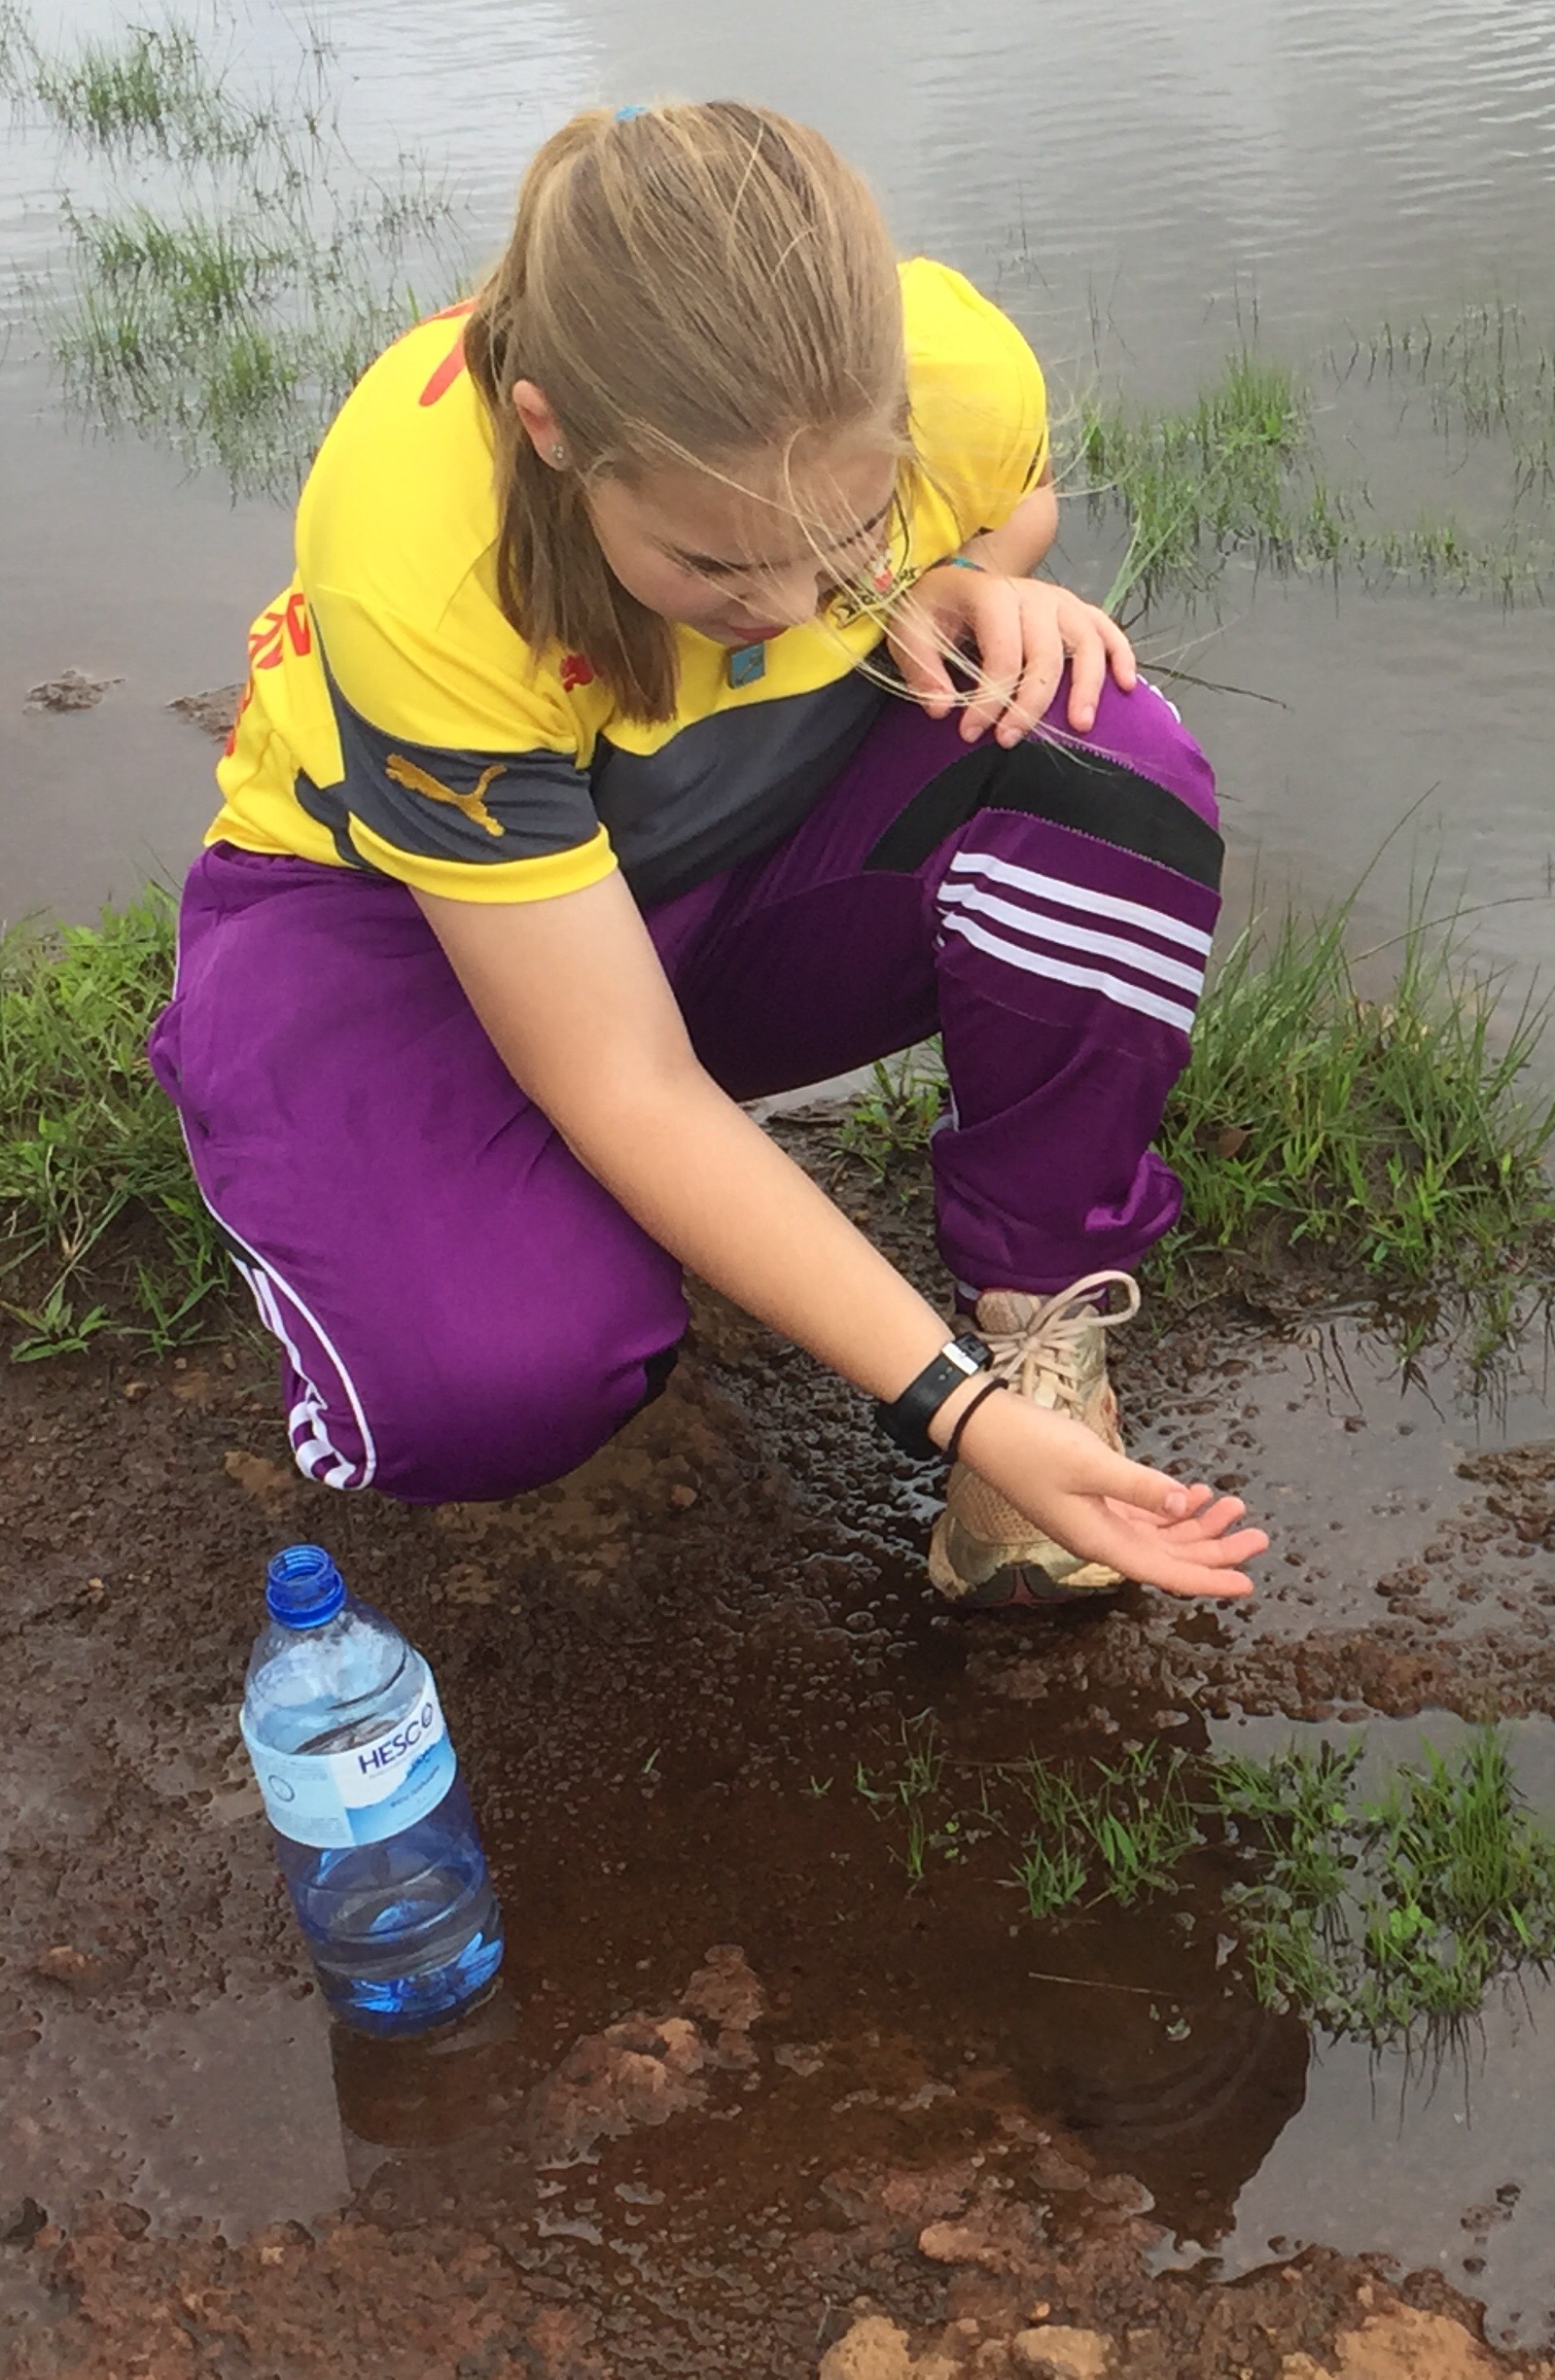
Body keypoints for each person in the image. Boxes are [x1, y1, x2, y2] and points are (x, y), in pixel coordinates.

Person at [147, 101, 1264, 1605]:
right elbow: (623, 1072)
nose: (799, 606)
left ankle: (1039, 1317)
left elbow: (1015, 502)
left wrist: (950, 573)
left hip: (703, 856)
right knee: (485, 1383)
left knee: (1101, 753)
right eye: (718, 562)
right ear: (553, 434)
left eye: (845, 538)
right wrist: (945, 1410)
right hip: (387, 911)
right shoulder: (421, 539)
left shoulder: (948, 365)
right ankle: (366, 1153)